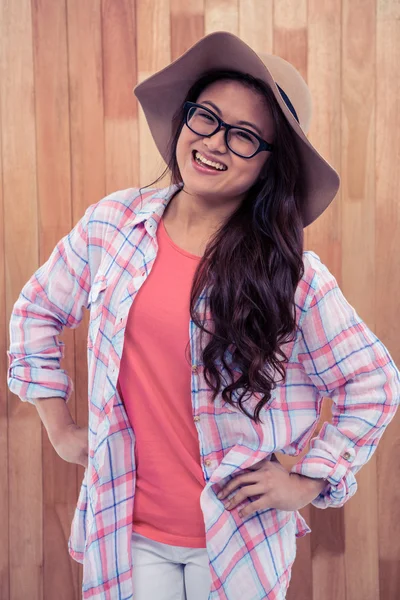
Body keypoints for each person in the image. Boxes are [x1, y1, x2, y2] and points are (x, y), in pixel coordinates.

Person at [7, 31, 400, 600]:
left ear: (269, 164)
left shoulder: (293, 277)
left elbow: (373, 382)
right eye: (207, 118)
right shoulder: (112, 225)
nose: (215, 142)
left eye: (244, 136)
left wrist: (308, 479)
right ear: (184, 118)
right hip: (125, 528)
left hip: (239, 543)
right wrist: (61, 429)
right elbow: (36, 310)